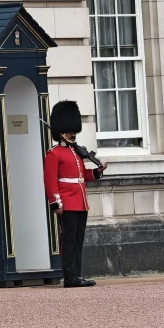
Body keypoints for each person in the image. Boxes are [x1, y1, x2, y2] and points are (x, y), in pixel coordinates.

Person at [43, 101, 103, 288]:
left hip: (80, 201)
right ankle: (69, 277)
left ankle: (77, 274)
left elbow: (81, 175)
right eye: (70, 131)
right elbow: (50, 181)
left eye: (74, 131)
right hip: (67, 202)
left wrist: (97, 172)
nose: (73, 134)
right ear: (61, 132)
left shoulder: (76, 152)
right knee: (68, 240)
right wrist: (56, 203)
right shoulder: (54, 154)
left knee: (78, 240)